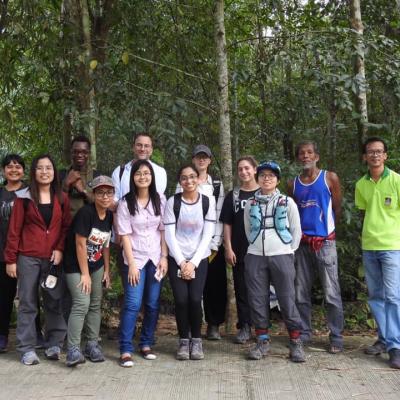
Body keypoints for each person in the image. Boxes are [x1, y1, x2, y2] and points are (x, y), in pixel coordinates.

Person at [5, 154, 71, 365]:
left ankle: (54, 343)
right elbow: (14, 231)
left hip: (52, 258)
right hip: (28, 257)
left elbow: (66, 227)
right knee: (27, 302)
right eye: (40, 168)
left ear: (54, 172)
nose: (44, 171)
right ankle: (26, 348)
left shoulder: (61, 197)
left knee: (53, 300)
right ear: (34, 172)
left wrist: (60, 248)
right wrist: (11, 259)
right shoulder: (23, 198)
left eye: (48, 168)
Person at [243, 161, 305, 362]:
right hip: (254, 256)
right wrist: (255, 247)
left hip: (282, 254)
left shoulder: (287, 203)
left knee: (287, 298)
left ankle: (295, 342)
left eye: (271, 175)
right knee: (257, 299)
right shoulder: (251, 203)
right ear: (257, 178)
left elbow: (296, 231)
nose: (266, 178)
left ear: (277, 180)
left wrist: (287, 250)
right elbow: (248, 229)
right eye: (262, 175)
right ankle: (262, 340)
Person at [287, 140, 344, 354]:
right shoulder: (293, 184)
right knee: (301, 292)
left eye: (309, 152)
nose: (305, 156)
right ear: (297, 158)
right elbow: (292, 215)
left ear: (316, 156)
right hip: (302, 245)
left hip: (325, 243)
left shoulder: (329, 178)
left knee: (331, 293)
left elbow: (336, 208)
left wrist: (327, 233)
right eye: (301, 153)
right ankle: (304, 333)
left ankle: (336, 337)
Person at [117, 160, 168, 367]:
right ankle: (125, 348)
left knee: (153, 303)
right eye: (139, 173)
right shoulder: (124, 203)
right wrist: (131, 264)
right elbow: (125, 236)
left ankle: (146, 343)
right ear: (133, 177)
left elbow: (164, 230)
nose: (143, 177)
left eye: (147, 173)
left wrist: (164, 256)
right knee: (132, 303)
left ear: (152, 177)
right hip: (135, 259)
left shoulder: (160, 200)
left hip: (155, 258)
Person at [355, 137, 400, 369]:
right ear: (365, 156)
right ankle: (384, 339)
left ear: (385, 156)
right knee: (376, 297)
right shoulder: (361, 184)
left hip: (392, 246)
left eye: (379, 152)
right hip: (369, 246)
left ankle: (396, 346)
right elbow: (364, 213)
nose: (374, 155)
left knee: (393, 297)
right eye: (370, 152)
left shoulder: (396, 181)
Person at [165, 165, 216, 360]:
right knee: (181, 300)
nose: (189, 181)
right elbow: (169, 234)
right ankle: (183, 341)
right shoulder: (173, 202)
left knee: (195, 299)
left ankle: (196, 340)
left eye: (192, 177)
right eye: (184, 178)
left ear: (198, 179)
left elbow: (208, 234)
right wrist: (181, 262)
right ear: (180, 181)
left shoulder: (207, 202)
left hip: (199, 258)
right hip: (176, 257)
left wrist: (193, 263)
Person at [176, 145, 226, 340]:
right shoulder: (184, 181)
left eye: (205, 157)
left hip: (210, 244)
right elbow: (177, 209)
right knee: (189, 289)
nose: (202, 160)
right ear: (193, 159)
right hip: (187, 245)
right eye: (198, 157)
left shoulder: (216, 185)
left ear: (210, 160)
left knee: (214, 285)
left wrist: (215, 242)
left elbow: (220, 214)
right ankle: (188, 326)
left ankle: (213, 324)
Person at [63, 175, 113, 367]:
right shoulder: (86, 213)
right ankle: (73, 349)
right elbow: (80, 244)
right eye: (100, 193)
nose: (105, 196)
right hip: (76, 265)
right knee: (82, 303)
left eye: (109, 192)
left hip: (97, 265)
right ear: (93, 194)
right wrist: (84, 274)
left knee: (95, 303)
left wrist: (107, 270)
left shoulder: (109, 215)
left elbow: (105, 244)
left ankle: (92, 344)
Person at [220, 156, 259, 344]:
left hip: (262, 251)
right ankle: (244, 326)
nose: (244, 172)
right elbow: (227, 223)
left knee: (260, 291)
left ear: (255, 169)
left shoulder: (266, 191)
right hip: (239, 249)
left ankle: (261, 326)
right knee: (241, 290)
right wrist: (228, 247)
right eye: (240, 169)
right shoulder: (233, 195)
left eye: (247, 168)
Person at [0, 154, 25, 352]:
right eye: (9, 166)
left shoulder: (30, 193)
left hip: (26, 253)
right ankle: (2, 335)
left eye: (18, 166)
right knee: (4, 296)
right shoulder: (0, 193)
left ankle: (35, 333)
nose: (14, 169)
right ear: (3, 171)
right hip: (3, 252)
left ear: (24, 170)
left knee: (30, 296)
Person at [112, 132, 167, 200]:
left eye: (146, 146)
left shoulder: (160, 172)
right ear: (133, 147)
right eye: (139, 145)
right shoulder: (119, 171)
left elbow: (158, 198)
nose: (142, 149)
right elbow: (115, 198)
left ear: (151, 150)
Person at [60, 135, 100, 218]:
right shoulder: (61, 174)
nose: (80, 155)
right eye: (76, 152)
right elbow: (55, 204)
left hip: (90, 225)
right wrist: (66, 184)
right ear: (71, 153)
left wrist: (83, 191)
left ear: (89, 153)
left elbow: (101, 203)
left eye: (84, 152)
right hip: (67, 225)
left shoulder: (97, 176)